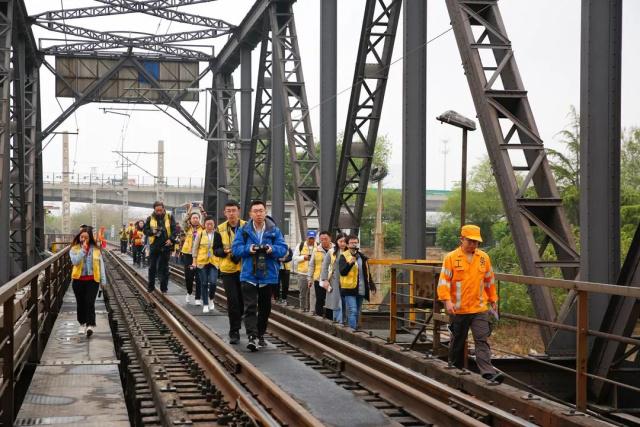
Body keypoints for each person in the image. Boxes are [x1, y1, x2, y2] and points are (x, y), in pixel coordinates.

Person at [437, 224, 504, 383]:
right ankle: (454, 369)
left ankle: (488, 372)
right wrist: (447, 301)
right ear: (461, 239)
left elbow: (489, 281)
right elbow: (444, 282)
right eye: (470, 241)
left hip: (479, 308)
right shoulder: (451, 258)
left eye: (476, 242)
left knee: (482, 339)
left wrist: (493, 299)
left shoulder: (483, 258)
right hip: (458, 310)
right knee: (458, 342)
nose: (473, 244)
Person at [232, 200, 287, 351]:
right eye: (255, 211)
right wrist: (249, 249)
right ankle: (252, 337)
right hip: (249, 274)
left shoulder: (274, 230)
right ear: (250, 214)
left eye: (261, 211)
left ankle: (260, 334)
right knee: (250, 307)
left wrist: (271, 249)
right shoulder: (243, 230)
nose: (258, 214)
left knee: (265, 308)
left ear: (265, 212)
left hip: (268, 274)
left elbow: (283, 249)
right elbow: (235, 249)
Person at [213, 200, 246, 344]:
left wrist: (239, 252)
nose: (231, 213)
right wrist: (225, 252)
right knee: (232, 302)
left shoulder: (247, 226)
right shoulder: (219, 229)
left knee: (243, 301)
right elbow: (216, 250)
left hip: (245, 269)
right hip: (228, 270)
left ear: (238, 211)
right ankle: (234, 331)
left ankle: (240, 320)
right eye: (229, 211)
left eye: (234, 210)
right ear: (224, 213)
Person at [69, 226, 107, 337]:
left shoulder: (96, 249)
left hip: (92, 280)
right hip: (78, 280)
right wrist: (83, 251)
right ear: (79, 237)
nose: (83, 239)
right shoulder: (74, 249)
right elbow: (75, 262)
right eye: (82, 237)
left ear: (90, 238)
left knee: (90, 302)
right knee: (80, 303)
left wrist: (103, 281)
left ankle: (90, 325)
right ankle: (82, 323)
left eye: (86, 237)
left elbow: (101, 266)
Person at [338, 235, 376, 330]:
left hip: (361, 288)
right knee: (353, 310)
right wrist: (350, 263)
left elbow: (367, 272)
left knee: (358, 311)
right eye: (352, 243)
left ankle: (354, 329)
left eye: (356, 242)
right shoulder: (343, 256)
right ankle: (352, 331)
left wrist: (371, 285)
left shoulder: (362, 257)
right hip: (349, 288)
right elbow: (342, 272)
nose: (354, 244)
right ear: (347, 244)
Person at [143, 201, 176, 293]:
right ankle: (151, 287)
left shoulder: (170, 217)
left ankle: (164, 288)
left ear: (163, 209)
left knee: (164, 267)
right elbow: (145, 230)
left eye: (160, 210)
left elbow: (174, 230)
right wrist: (152, 232)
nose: (159, 212)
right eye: (157, 210)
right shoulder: (150, 218)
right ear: (154, 209)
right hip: (154, 245)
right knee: (152, 267)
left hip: (166, 245)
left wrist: (171, 240)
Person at [191, 216, 220, 313]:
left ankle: (211, 299)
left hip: (214, 262)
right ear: (204, 225)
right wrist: (194, 261)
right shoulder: (200, 234)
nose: (209, 226)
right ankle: (206, 304)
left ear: (214, 224)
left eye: (211, 224)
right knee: (203, 283)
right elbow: (195, 248)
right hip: (202, 262)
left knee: (213, 282)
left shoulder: (217, 235)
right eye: (207, 224)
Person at [320, 233, 347, 324]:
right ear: (337, 241)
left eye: (344, 241)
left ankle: (345, 323)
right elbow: (324, 266)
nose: (343, 243)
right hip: (335, 280)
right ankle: (338, 323)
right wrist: (325, 280)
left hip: (347, 281)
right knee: (336, 303)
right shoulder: (331, 252)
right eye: (340, 241)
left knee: (346, 302)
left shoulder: (350, 252)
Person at [307, 231, 333, 317]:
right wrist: (309, 279)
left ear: (330, 238)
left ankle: (330, 319)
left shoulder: (335, 249)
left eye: (326, 239)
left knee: (330, 300)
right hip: (319, 279)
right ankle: (319, 318)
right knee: (319, 299)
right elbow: (311, 265)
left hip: (332, 279)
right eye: (321, 239)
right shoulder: (316, 249)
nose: (324, 241)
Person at [181, 211, 204, 305]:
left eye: (197, 218)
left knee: (199, 277)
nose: (195, 219)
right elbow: (184, 222)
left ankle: (198, 297)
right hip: (188, 255)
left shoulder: (203, 228)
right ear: (190, 219)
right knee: (189, 276)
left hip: (199, 255)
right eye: (193, 218)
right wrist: (189, 211)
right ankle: (189, 292)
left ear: (199, 219)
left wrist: (202, 212)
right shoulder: (187, 228)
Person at [293, 230, 317, 312]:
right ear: (307, 238)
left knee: (312, 294)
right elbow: (294, 258)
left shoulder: (318, 246)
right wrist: (303, 258)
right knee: (303, 292)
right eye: (310, 238)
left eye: (313, 238)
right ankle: (302, 308)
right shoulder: (300, 245)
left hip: (314, 274)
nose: (311, 240)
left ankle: (311, 310)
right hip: (302, 273)